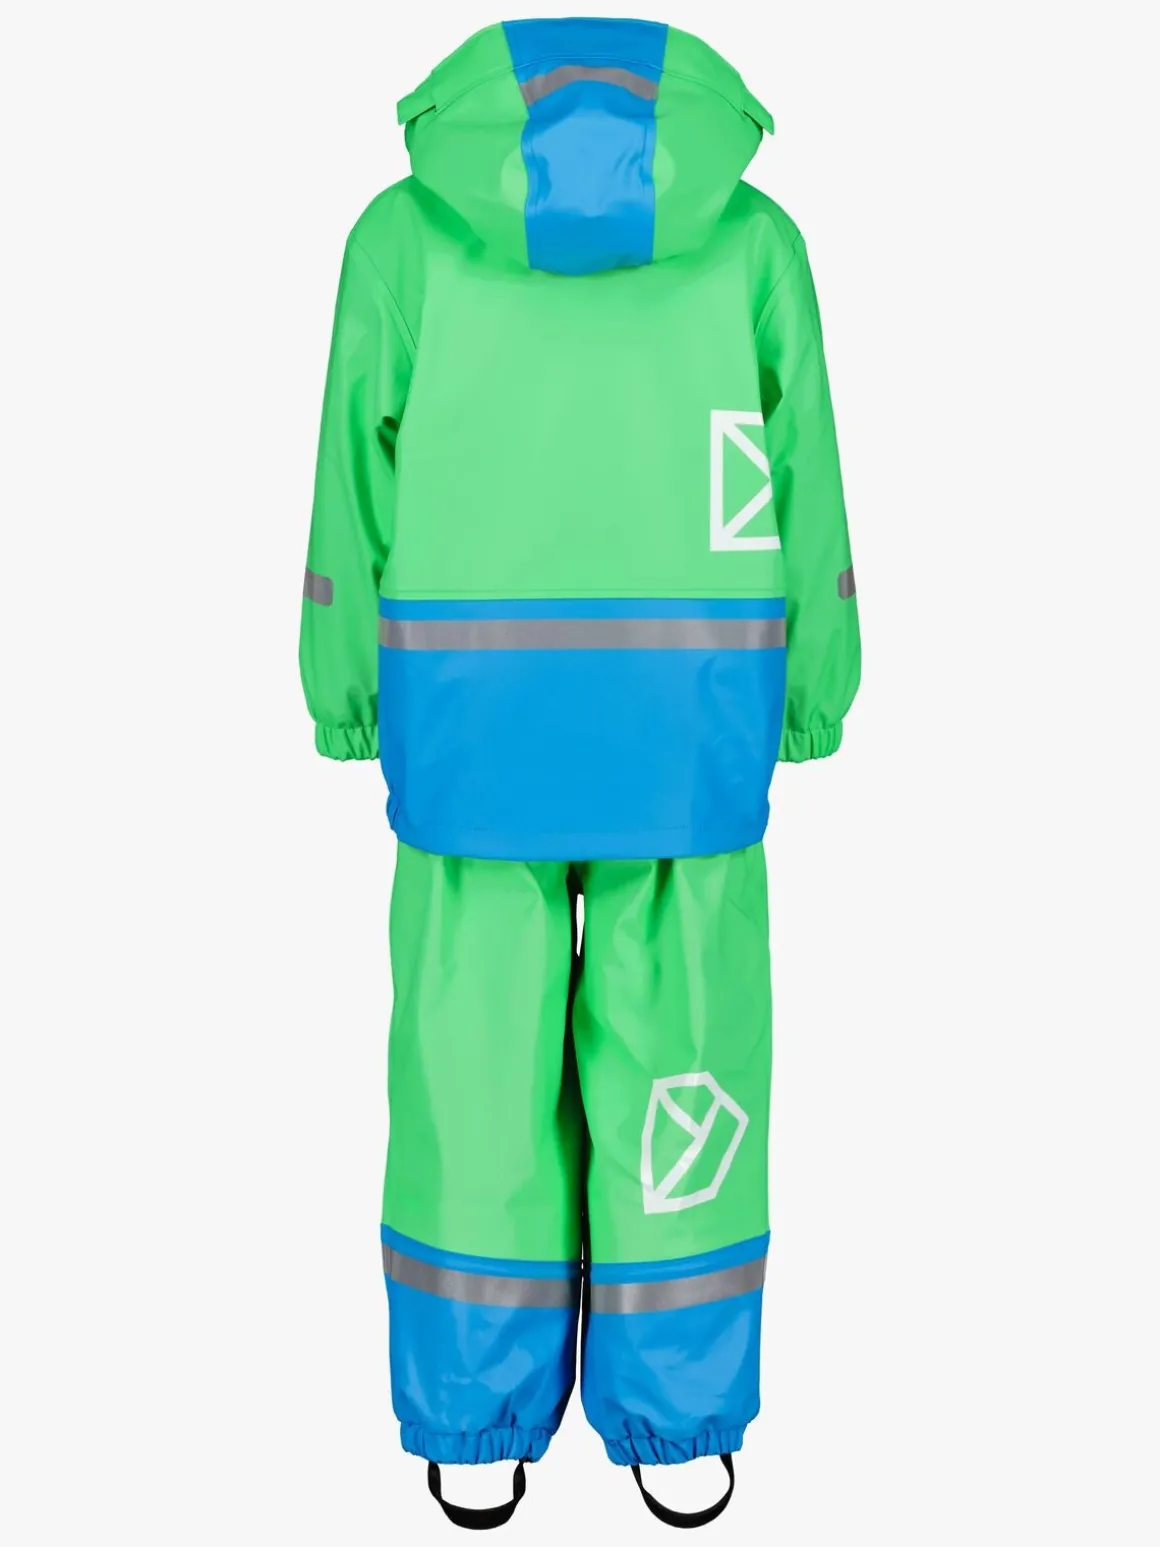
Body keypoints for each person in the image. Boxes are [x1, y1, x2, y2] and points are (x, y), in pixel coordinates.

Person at [299, 17, 860, 1530]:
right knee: (688, 1055)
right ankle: (678, 1417)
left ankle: (472, 1415)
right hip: (689, 716)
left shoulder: (402, 236)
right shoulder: (753, 240)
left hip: (469, 718)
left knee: (469, 1072)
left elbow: (353, 467)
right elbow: (803, 469)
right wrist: (815, 683)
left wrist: (343, 683)